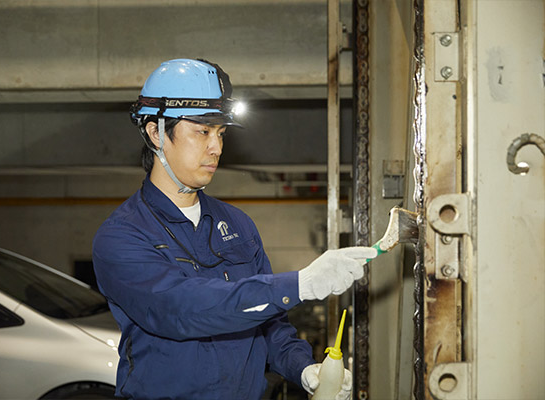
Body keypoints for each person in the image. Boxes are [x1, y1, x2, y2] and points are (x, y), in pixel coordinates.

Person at [92, 58, 377, 400]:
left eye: (221, 133)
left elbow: (270, 325)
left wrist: (302, 368)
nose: (217, 147)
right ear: (155, 132)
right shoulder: (122, 236)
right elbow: (182, 310)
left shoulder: (238, 225)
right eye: (202, 131)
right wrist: (299, 284)